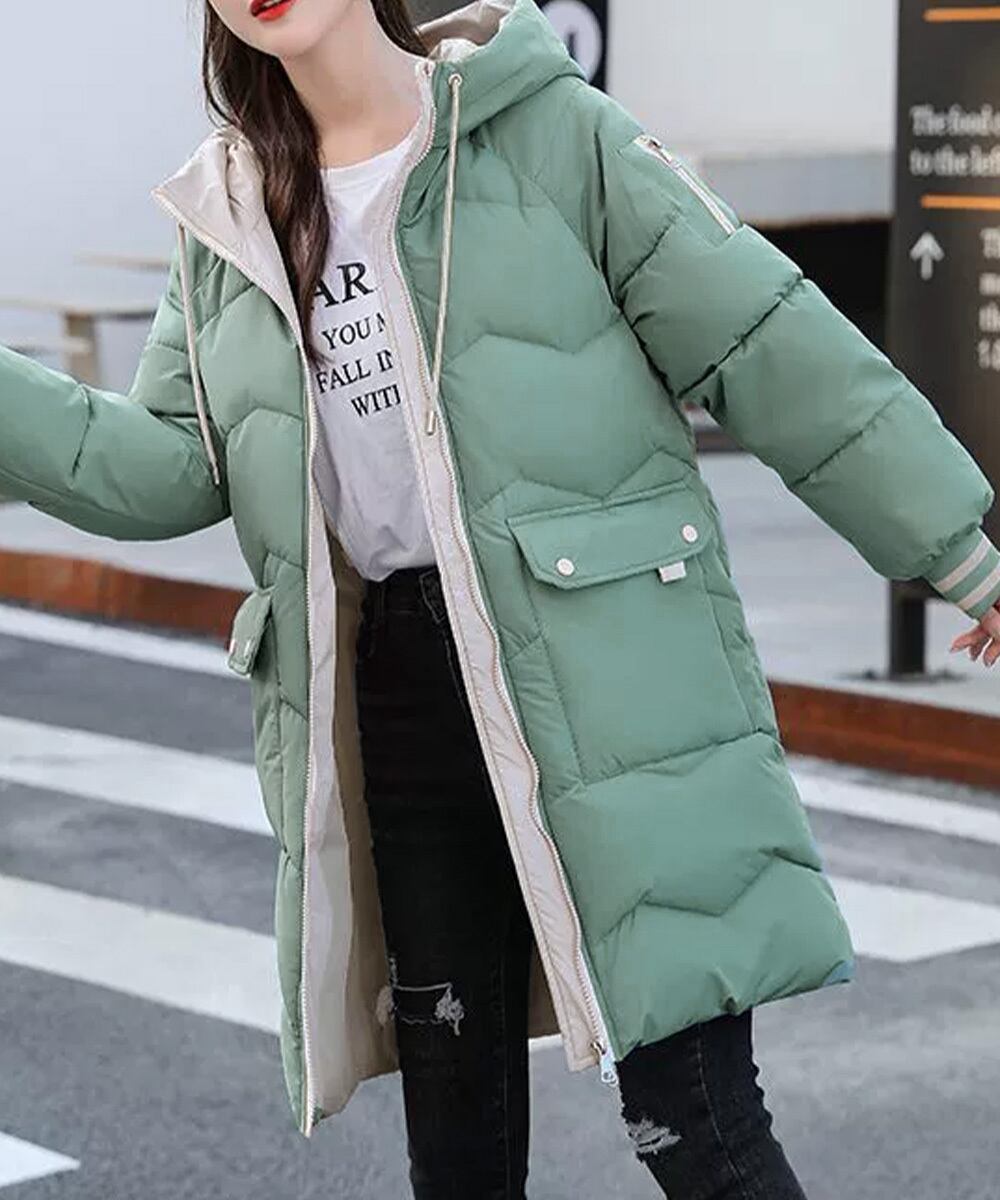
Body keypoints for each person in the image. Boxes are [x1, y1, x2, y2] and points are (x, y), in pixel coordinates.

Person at [2, 0, 999, 1195]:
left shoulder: (544, 130)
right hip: (397, 695)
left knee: (694, 1123)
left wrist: (959, 548)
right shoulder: (229, 213)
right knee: (457, 1142)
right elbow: (167, 464)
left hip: (608, 672)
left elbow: (765, 340)